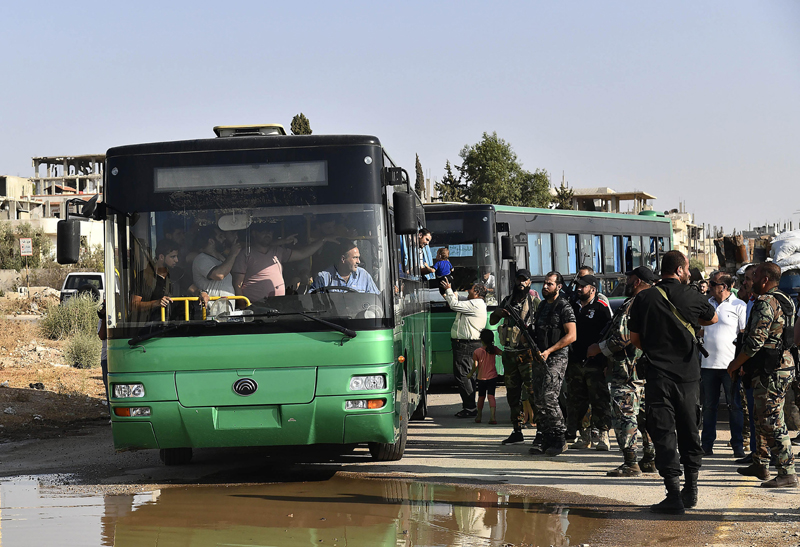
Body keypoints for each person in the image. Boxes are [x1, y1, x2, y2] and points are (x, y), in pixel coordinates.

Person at [629, 250, 718, 514]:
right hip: (688, 377)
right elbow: (712, 318)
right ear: (679, 270)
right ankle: (691, 490)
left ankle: (673, 496)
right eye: (687, 268)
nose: (689, 273)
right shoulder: (692, 295)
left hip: (658, 376)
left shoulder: (644, 297)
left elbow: (635, 339)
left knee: (663, 433)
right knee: (690, 430)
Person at [728, 262, 797, 488]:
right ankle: (761, 462)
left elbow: (755, 342)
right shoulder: (785, 299)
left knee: (771, 420)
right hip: (781, 365)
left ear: (765, 280)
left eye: (755, 276)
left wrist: (735, 364)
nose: (751, 281)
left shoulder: (765, 302)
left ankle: (787, 471)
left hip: (770, 370)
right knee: (761, 417)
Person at [589, 265, 658, 477]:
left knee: (624, 415)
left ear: (637, 281)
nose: (626, 283)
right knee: (646, 416)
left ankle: (631, 463)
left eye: (629, 279)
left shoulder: (634, 304)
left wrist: (598, 349)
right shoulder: (655, 302)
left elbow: (622, 338)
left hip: (628, 371)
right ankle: (650, 458)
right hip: (647, 370)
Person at [523, 271, 576, 457]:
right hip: (540, 357)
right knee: (538, 399)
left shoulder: (564, 307)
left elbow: (572, 335)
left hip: (556, 358)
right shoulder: (543, 306)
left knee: (549, 397)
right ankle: (546, 436)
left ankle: (560, 436)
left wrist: (550, 351)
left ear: (558, 287)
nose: (545, 287)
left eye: (550, 284)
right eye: (544, 283)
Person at [700, 271, 747, 458]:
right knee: (708, 407)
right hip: (708, 365)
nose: (709, 286)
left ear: (724, 287)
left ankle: (737, 445)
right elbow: (700, 331)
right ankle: (706, 445)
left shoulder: (739, 305)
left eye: (713, 284)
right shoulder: (707, 304)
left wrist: (740, 364)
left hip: (730, 366)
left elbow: (743, 335)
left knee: (734, 406)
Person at [490, 269, 540, 445]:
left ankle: (540, 431)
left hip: (527, 354)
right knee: (513, 394)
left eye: (524, 280)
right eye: (519, 280)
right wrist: (499, 312)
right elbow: (493, 321)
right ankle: (517, 430)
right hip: (510, 354)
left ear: (529, 282)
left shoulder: (534, 302)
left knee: (533, 393)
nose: (521, 283)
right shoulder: (507, 301)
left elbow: (542, 326)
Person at [232, 223, 339, 303]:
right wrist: (243, 306)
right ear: (254, 233)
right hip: (255, 306)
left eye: (270, 232)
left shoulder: (278, 251)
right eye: (263, 232)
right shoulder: (245, 254)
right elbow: (237, 284)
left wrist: (323, 240)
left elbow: (303, 253)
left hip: (278, 304)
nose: (267, 234)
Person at [565, 274, 613, 451]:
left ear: (592, 289)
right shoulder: (573, 306)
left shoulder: (601, 307)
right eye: (578, 286)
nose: (579, 289)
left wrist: (605, 359)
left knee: (599, 400)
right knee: (578, 401)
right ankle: (584, 436)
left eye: (583, 286)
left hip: (595, 363)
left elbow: (609, 334)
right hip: (576, 361)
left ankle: (603, 435)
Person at [441, 278, 488, 417]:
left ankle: (470, 407)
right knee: (469, 375)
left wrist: (449, 290)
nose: (468, 291)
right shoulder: (475, 303)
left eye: (471, 290)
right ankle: (470, 406)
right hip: (470, 344)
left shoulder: (475, 304)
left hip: (466, 344)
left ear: (477, 293)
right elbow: (457, 301)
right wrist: (449, 292)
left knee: (462, 375)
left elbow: (454, 305)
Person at [133, 239, 201, 322]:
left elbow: (194, 290)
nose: (176, 260)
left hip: (178, 324)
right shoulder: (144, 276)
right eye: (173, 257)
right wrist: (156, 303)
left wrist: (202, 293)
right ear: (161, 257)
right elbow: (134, 305)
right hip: (153, 325)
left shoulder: (178, 273)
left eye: (177, 256)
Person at [192, 226, 241, 315]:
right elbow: (219, 275)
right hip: (212, 311)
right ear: (211, 241)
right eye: (220, 236)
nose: (224, 239)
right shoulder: (201, 259)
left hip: (225, 309)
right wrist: (233, 254)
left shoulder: (221, 258)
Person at [311, 241, 380, 294]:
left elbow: (376, 299)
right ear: (343, 259)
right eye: (355, 258)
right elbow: (312, 301)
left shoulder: (364, 276)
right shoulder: (323, 278)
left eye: (358, 257)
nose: (358, 261)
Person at [468, 328, 502, 424]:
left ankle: (479, 416)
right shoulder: (494, 349)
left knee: (481, 397)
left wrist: (470, 373)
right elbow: (503, 354)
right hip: (492, 377)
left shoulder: (477, 351)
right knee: (491, 396)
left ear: (481, 339)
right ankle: (492, 417)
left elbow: (475, 365)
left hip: (481, 378)